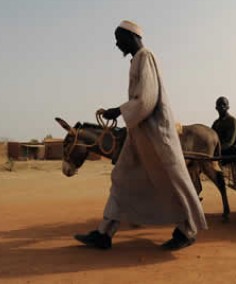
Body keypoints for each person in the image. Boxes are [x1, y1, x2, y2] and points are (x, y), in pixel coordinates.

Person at [74, 20, 207, 251]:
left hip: (157, 136)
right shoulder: (136, 60)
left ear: (130, 36)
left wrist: (119, 110)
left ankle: (188, 230)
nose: (116, 44)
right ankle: (104, 234)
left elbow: (146, 99)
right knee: (121, 179)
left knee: (173, 182)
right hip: (139, 136)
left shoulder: (146, 56)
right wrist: (123, 112)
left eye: (118, 38)